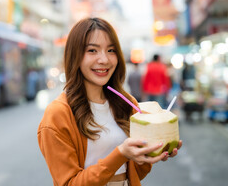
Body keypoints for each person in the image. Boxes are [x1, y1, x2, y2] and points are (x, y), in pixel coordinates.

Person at [37, 18, 182, 186]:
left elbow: (135, 172)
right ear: (74, 55)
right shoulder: (58, 114)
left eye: (111, 50)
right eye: (92, 50)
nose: (104, 60)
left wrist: (153, 153)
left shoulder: (127, 103)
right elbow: (69, 183)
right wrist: (120, 154)